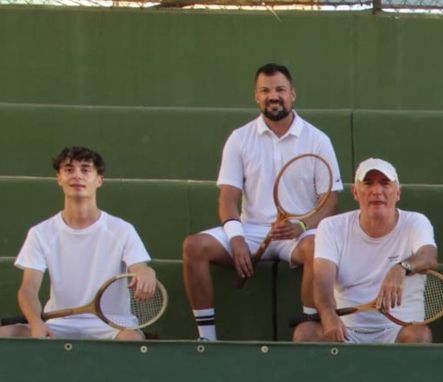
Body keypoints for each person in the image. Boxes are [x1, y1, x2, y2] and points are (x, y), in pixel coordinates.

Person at [181, 63, 343, 341]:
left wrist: (301, 225)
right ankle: (206, 339)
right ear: (256, 96)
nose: (273, 96)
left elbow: (330, 199)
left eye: (280, 89)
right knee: (193, 246)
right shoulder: (239, 139)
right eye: (265, 90)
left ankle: (307, 330)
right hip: (251, 231)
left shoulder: (318, 139)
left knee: (317, 247)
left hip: (297, 233)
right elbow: (228, 197)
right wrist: (236, 239)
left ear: (293, 94)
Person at [2, 146, 158, 341]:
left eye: (85, 170)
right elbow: (29, 289)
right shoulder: (41, 232)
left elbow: (140, 267)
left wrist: (145, 272)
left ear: (99, 180)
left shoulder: (122, 230)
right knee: (6, 334)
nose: (77, 175)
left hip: (115, 325)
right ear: (59, 178)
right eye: (69, 170)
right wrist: (35, 324)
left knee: (133, 340)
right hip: (59, 324)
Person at [291, 159, 437, 345]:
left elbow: (429, 257)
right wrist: (328, 315)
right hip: (345, 331)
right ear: (355, 192)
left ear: (398, 192)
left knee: (419, 335)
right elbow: (322, 280)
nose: (377, 191)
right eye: (368, 183)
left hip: (399, 329)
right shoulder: (331, 227)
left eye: (385, 183)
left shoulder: (417, 222)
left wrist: (401, 267)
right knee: (306, 333)